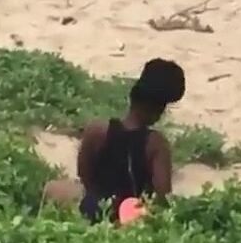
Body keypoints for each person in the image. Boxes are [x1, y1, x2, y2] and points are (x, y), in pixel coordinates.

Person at [42, 58, 185, 223]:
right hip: (130, 218)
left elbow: (84, 175)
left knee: (52, 187)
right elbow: (163, 198)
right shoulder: (156, 145)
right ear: (159, 110)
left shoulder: (96, 131)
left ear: (132, 97)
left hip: (93, 207)